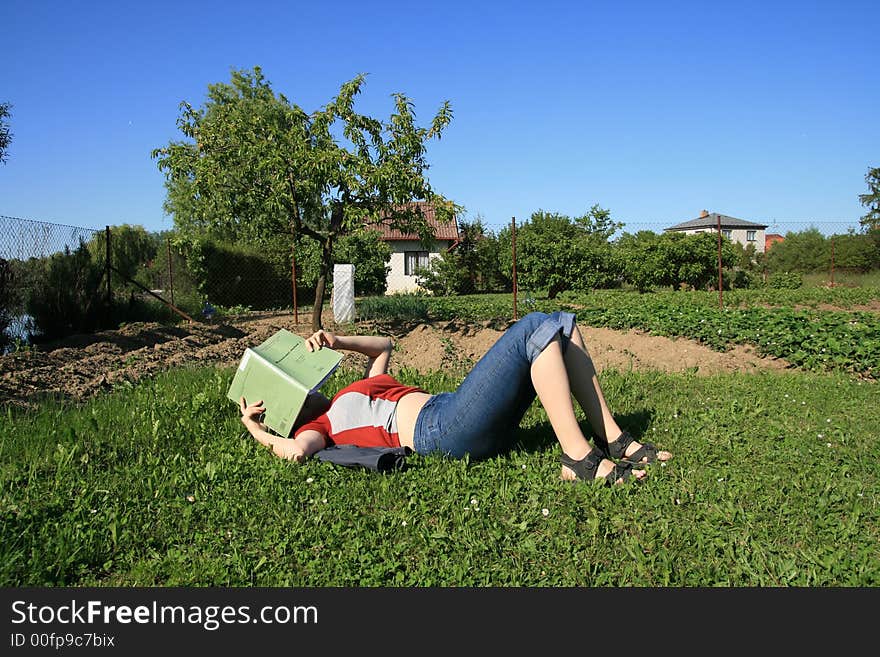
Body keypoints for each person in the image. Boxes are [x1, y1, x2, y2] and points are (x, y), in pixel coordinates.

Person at [239, 311, 671, 485]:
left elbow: (384, 346)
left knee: (561, 326)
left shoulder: (345, 395)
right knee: (534, 326)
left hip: (452, 411)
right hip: (441, 432)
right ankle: (576, 457)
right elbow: (295, 452)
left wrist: (338, 340)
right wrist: (255, 428)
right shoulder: (320, 427)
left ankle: (612, 438)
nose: (308, 389)